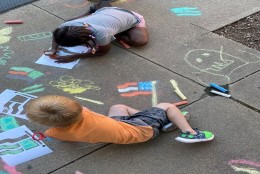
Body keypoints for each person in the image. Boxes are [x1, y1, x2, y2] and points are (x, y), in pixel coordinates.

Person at [25, 95, 214, 144]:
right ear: (79, 109)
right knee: (167, 105)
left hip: (118, 130)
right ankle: (189, 133)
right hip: (142, 131)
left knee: (117, 107)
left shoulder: (54, 132)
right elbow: (78, 109)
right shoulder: (86, 112)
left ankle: (158, 119)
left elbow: (60, 136)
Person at [45, 2, 149, 63]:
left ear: (84, 40)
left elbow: (103, 51)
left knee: (140, 41)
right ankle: (93, 12)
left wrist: (74, 56)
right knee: (72, 19)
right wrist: (54, 49)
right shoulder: (65, 26)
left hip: (131, 17)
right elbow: (56, 35)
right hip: (107, 12)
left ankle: (119, 30)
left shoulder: (101, 35)